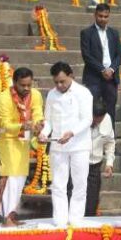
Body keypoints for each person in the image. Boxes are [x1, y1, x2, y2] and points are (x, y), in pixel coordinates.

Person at [39, 62, 94, 227]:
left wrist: (72, 133)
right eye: (56, 82)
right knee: (58, 183)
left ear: (71, 76)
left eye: (62, 81)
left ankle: (76, 219)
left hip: (79, 144)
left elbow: (87, 119)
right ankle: (60, 220)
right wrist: (44, 133)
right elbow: (48, 120)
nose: (59, 85)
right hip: (58, 144)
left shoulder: (83, 93)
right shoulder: (51, 94)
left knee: (79, 183)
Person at [0, 67, 44, 227]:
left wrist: (38, 124)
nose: (27, 88)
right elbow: (6, 124)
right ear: (14, 83)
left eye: (29, 85)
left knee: (20, 179)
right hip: (6, 141)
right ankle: (6, 218)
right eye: (23, 85)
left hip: (23, 142)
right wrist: (24, 126)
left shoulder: (35, 95)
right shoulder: (4, 98)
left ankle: (12, 215)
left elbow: (37, 113)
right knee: (9, 180)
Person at [80, 3, 121, 122]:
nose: (103, 19)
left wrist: (111, 69)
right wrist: (102, 70)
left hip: (111, 78)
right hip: (94, 78)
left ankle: (110, 139)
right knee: (92, 109)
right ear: (95, 15)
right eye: (100, 16)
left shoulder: (114, 33)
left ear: (109, 17)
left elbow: (119, 55)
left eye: (105, 16)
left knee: (110, 111)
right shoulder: (86, 33)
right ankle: (92, 139)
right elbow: (86, 56)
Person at [86, 98, 115, 216]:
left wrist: (109, 163)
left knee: (92, 198)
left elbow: (110, 142)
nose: (97, 121)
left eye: (100, 119)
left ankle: (89, 220)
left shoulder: (107, 119)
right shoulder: (81, 117)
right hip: (79, 162)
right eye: (95, 119)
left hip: (95, 164)